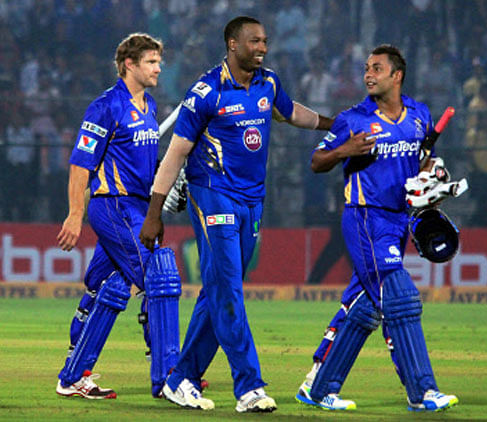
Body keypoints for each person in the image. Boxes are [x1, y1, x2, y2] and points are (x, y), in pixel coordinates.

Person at [139, 16, 334, 412]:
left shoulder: (269, 82)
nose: (262, 48)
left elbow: (288, 112)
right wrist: (154, 212)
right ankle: (249, 386)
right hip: (212, 195)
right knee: (228, 287)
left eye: (264, 41)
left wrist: (334, 125)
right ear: (232, 44)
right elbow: (176, 152)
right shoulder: (205, 92)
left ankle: (181, 378)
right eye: (254, 42)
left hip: (252, 201)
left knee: (217, 289)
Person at [295, 44, 459, 412]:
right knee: (399, 297)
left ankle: (318, 388)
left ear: (396, 75)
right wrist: (345, 150)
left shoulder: (419, 114)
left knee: (366, 307)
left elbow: (420, 161)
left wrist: (432, 175)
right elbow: (317, 161)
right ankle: (422, 391)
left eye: (377, 68)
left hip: (401, 219)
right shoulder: (352, 119)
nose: (368, 74)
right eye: (366, 68)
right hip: (366, 218)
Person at [55, 33, 180, 400]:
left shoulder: (150, 105)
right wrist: (75, 214)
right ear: (130, 64)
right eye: (152, 62)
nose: (159, 68)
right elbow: (81, 165)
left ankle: (73, 376)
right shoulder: (105, 107)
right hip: (113, 206)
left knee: (105, 288)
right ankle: (169, 373)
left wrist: (163, 194)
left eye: (159, 61)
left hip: (138, 209)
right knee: (159, 277)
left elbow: (140, 163)